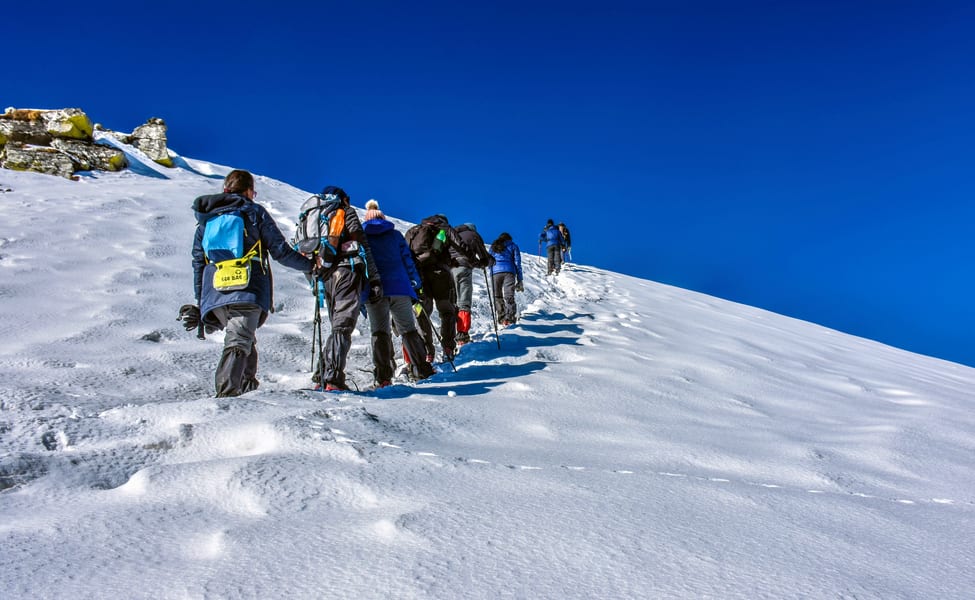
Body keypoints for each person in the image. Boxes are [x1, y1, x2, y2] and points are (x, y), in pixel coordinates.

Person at [186, 169, 316, 397]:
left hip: (214, 290)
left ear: (225, 189)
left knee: (245, 338)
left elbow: (199, 261)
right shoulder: (253, 212)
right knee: (239, 340)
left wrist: (201, 300)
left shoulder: (207, 219)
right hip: (246, 286)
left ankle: (248, 392)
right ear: (248, 191)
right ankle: (226, 396)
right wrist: (311, 266)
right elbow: (281, 252)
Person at [313, 186, 382, 391]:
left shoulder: (318, 216)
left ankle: (322, 376)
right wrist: (375, 279)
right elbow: (362, 245)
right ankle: (332, 379)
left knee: (337, 325)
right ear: (344, 199)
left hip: (326, 277)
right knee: (343, 326)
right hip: (347, 272)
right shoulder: (346, 212)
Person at [361, 200, 435, 385]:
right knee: (408, 329)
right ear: (383, 217)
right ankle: (421, 369)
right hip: (400, 288)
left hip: (375, 291)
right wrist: (416, 284)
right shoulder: (395, 235)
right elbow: (408, 262)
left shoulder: (361, 236)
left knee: (379, 332)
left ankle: (383, 377)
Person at [405, 214, 478, 363]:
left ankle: (427, 353)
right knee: (447, 311)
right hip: (440, 276)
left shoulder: (414, 231)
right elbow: (459, 245)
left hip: (420, 277)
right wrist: (473, 259)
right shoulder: (443, 229)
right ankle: (448, 349)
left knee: (423, 314)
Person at [449, 222, 494, 346]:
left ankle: (449, 338)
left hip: (449, 270)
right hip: (463, 269)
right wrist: (487, 262)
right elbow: (483, 255)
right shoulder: (473, 235)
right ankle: (462, 335)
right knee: (464, 302)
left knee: (452, 303)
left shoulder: (451, 234)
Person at [489, 232, 523, 326]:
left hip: (495, 273)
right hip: (509, 272)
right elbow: (517, 263)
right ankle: (510, 318)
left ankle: (501, 318)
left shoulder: (493, 246)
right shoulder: (513, 246)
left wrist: (491, 271)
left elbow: (489, 260)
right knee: (509, 295)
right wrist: (520, 279)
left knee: (497, 296)